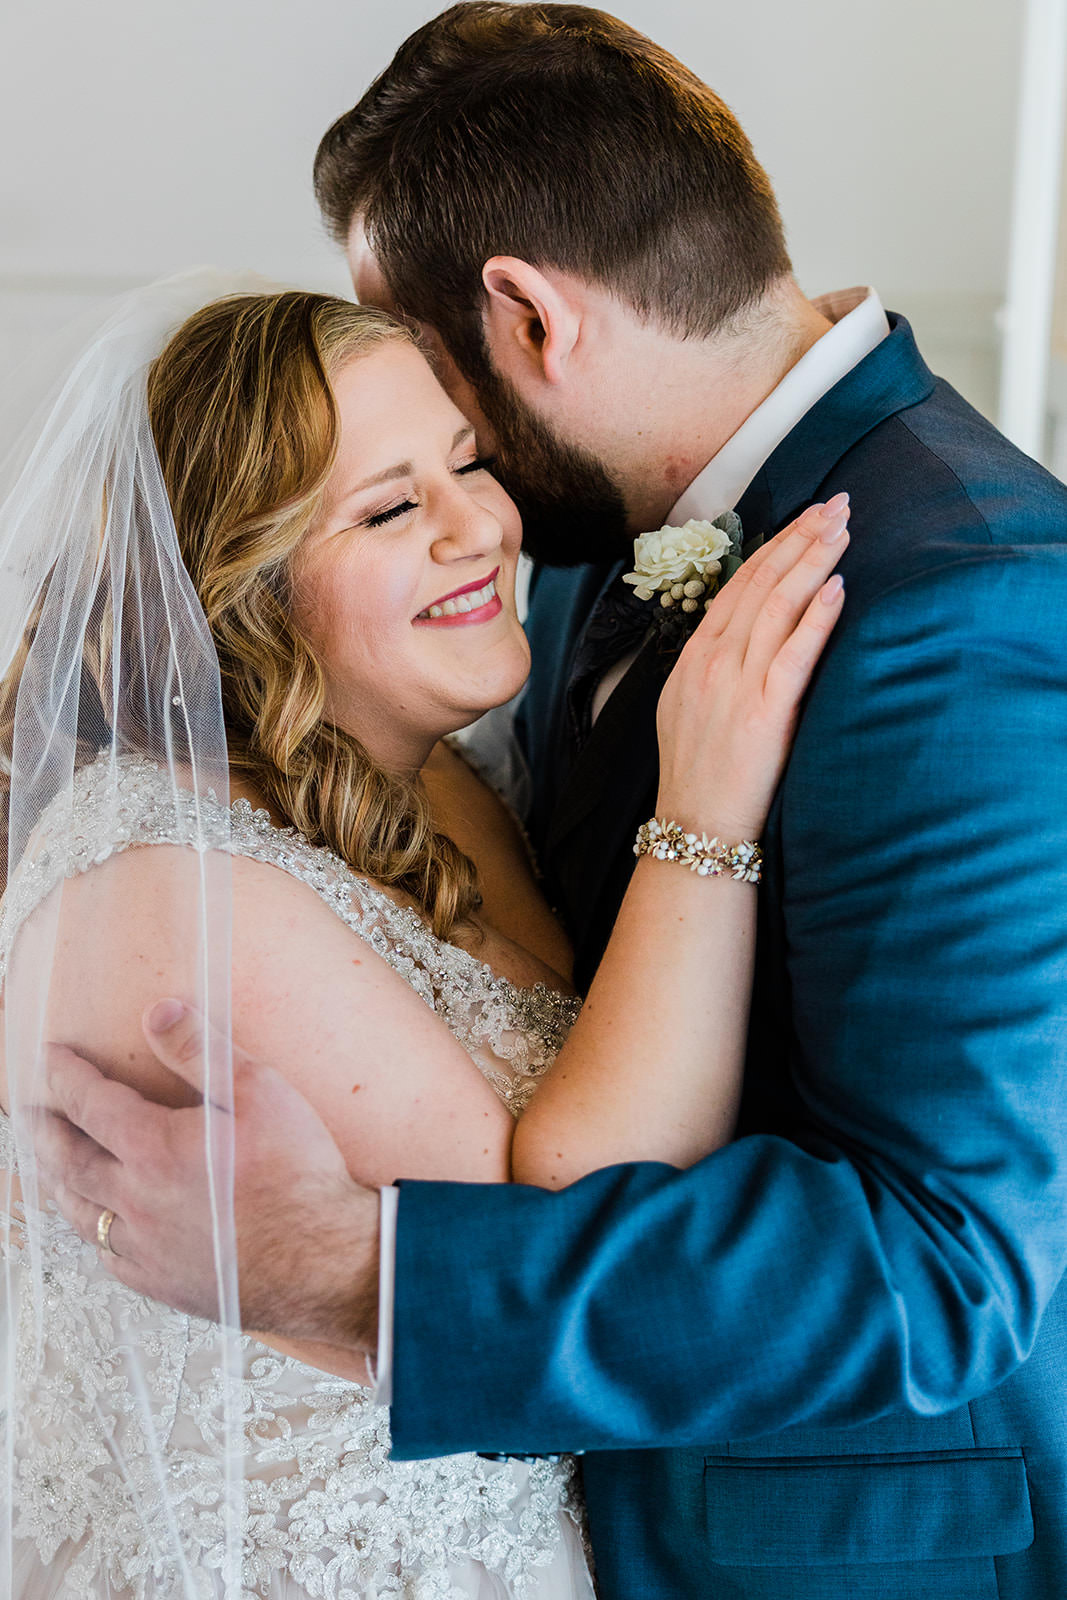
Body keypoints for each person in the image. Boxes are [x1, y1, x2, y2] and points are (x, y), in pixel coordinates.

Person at [33, 5, 1067, 1596]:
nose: (475, 516)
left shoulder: (961, 604)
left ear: (524, 318)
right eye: (396, 493)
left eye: (442, 392)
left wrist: (369, 1276)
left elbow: (952, 1272)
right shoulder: (582, 563)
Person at [0, 275, 844, 1598]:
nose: (483, 529)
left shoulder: (437, 773)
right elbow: (565, 1268)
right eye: (392, 508)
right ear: (241, 589)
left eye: (467, 463)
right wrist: (706, 806)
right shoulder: (171, 894)